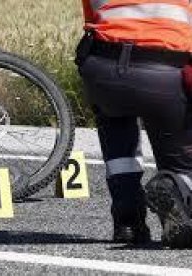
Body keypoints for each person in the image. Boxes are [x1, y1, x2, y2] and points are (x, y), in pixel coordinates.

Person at [76, 0, 192, 248]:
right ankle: (177, 196)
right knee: (180, 161)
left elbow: (93, 18)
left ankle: (128, 222)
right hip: (162, 72)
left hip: (102, 70)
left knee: (118, 143)